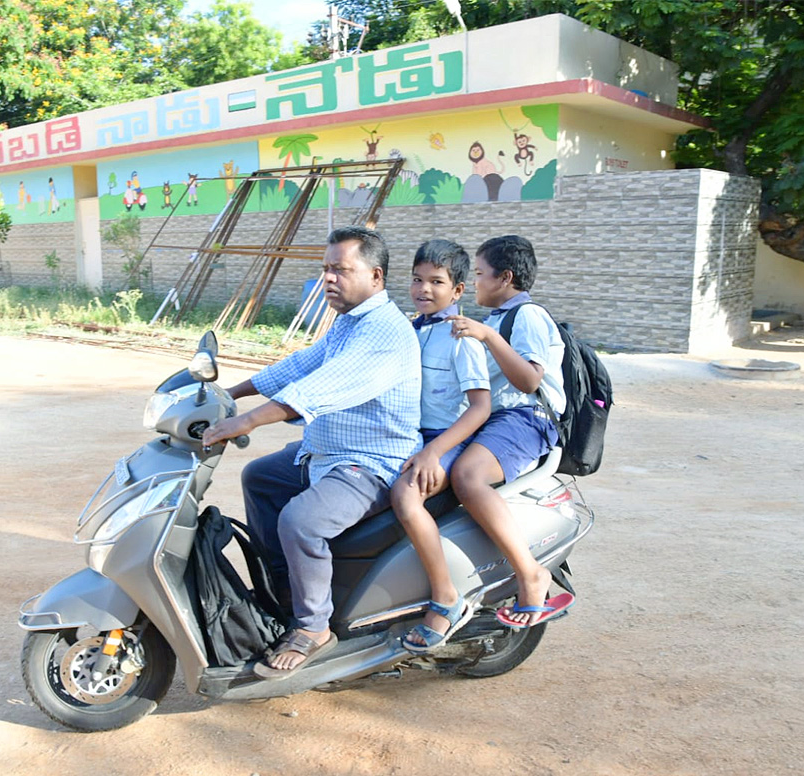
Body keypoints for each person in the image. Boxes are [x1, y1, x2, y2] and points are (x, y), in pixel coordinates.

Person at [202, 226, 421, 679]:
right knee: (260, 478)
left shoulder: (383, 332)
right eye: (325, 269)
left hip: (370, 462)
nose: (329, 279)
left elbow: (318, 388)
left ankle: (313, 627)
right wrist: (230, 393)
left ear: (376, 276)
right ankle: (283, 592)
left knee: (301, 521)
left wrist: (243, 422)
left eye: (341, 270)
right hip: (325, 451)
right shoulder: (349, 321)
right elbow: (302, 365)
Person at [446, 235, 573, 629]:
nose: (476, 282)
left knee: (468, 475)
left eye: (481, 274)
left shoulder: (528, 316)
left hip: (527, 419)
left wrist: (488, 337)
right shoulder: (497, 319)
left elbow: (528, 380)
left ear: (505, 278)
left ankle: (531, 574)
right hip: (497, 417)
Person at [390, 239, 491, 652]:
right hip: (406, 434)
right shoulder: (410, 329)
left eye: (436, 282)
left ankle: (446, 597)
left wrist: (433, 452)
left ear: (459, 290)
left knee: (406, 494)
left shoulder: (460, 337)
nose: (423, 289)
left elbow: (480, 407)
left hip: (443, 439)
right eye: (417, 279)